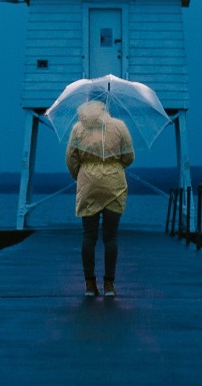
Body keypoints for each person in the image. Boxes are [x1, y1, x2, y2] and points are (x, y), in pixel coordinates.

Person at [65, 100, 134, 297]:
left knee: (88, 236)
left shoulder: (78, 128)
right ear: (105, 110)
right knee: (111, 236)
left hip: (88, 183)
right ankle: (109, 285)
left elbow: (71, 158)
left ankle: (89, 285)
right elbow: (129, 156)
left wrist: (81, 174)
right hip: (114, 184)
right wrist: (114, 165)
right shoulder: (119, 126)